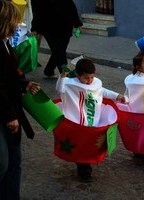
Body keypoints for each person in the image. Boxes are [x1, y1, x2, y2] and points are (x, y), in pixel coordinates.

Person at [56, 58, 125, 182]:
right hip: (76, 122)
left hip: (92, 121)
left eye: (92, 77)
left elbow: (102, 91)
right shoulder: (70, 84)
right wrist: (62, 78)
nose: (89, 81)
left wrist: (117, 96)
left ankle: (85, 164)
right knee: (79, 143)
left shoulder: (95, 84)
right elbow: (60, 89)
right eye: (86, 78)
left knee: (89, 144)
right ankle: (84, 167)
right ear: (78, 75)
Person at [0, 1, 40, 199]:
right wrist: (9, 116)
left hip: (12, 111)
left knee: (14, 162)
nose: (17, 25)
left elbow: (9, 77)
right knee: (3, 164)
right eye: (14, 21)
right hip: (4, 114)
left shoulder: (6, 43)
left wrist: (24, 84)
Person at [31, 0, 83, 78]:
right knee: (60, 52)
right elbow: (38, 12)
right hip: (49, 30)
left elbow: (72, 9)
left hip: (65, 30)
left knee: (58, 51)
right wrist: (35, 28)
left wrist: (77, 24)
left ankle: (49, 70)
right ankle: (65, 75)